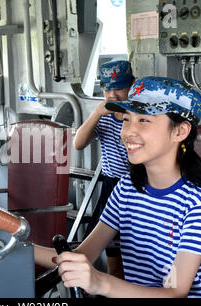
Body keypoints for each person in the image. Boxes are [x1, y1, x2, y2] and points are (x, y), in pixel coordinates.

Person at [35, 76, 201, 297]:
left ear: (180, 132)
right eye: (126, 119)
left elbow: (175, 292)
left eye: (144, 120)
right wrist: (14, 246)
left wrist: (99, 282)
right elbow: (83, 254)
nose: (128, 132)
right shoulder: (126, 189)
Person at [74, 60, 135, 279]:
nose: (113, 94)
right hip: (112, 189)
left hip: (139, 188)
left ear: (132, 85)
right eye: (107, 89)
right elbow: (78, 144)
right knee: (113, 256)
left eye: (119, 88)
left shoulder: (138, 116)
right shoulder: (104, 118)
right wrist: (97, 113)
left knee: (136, 254)